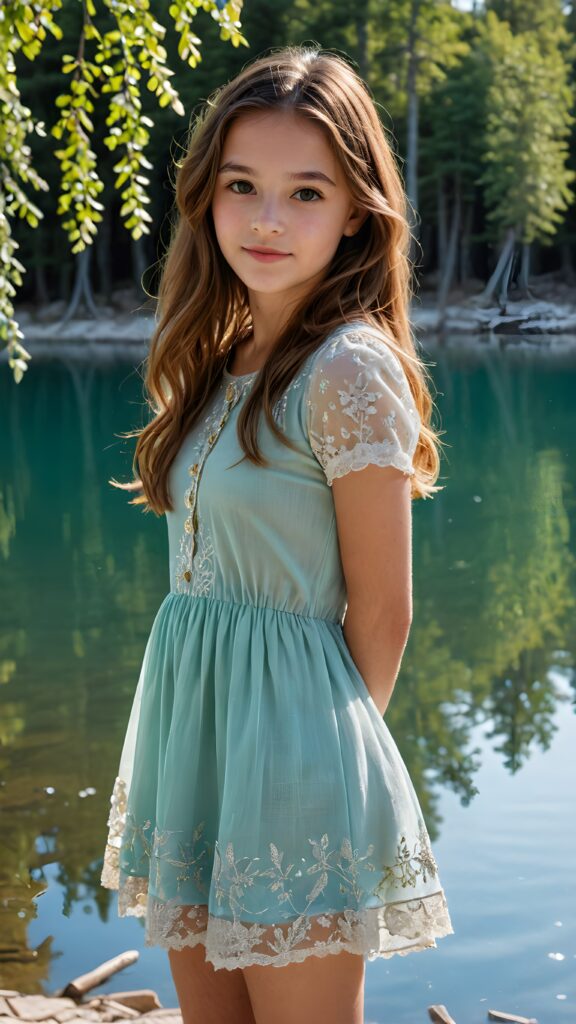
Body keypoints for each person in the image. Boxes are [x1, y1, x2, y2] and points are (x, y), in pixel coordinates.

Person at [100, 44, 454, 1024]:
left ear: (355, 213)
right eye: (242, 185)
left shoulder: (348, 368)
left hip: (293, 766)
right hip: (192, 740)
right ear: (206, 196)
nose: (264, 218)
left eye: (306, 193)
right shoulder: (217, 354)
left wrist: (313, 772)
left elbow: (384, 611)